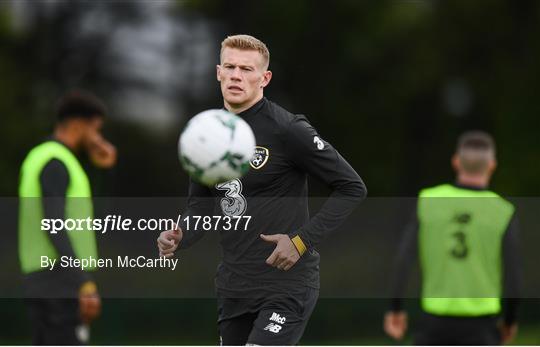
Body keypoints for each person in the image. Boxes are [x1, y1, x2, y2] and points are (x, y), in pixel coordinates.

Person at [158, 34, 367, 345]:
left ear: (264, 78)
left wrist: (300, 242)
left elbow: (352, 187)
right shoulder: (207, 133)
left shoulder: (288, 129)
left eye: (246, 69)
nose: (236, 76)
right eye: (230, 67)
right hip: (234, 285)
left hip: (286, 285)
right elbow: (200, 208)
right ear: (218, 72)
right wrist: (180, 235)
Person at [384, 131, 521, 345]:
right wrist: (510, 321)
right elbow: (514, 277)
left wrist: (396, 308)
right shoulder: (503, 211)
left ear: (456, 162)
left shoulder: (428, 200)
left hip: (434, 327)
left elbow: (403, 259)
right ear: (492, 165)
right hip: (482, 328)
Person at [19, 90, 117, 345]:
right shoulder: (56, 162)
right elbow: (53, 224)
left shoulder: (44, 158)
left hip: (46, 278)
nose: (97, 138)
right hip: (58, 280)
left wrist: (101, 170)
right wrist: (82, 282)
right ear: (78, 124)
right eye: (95, 129)